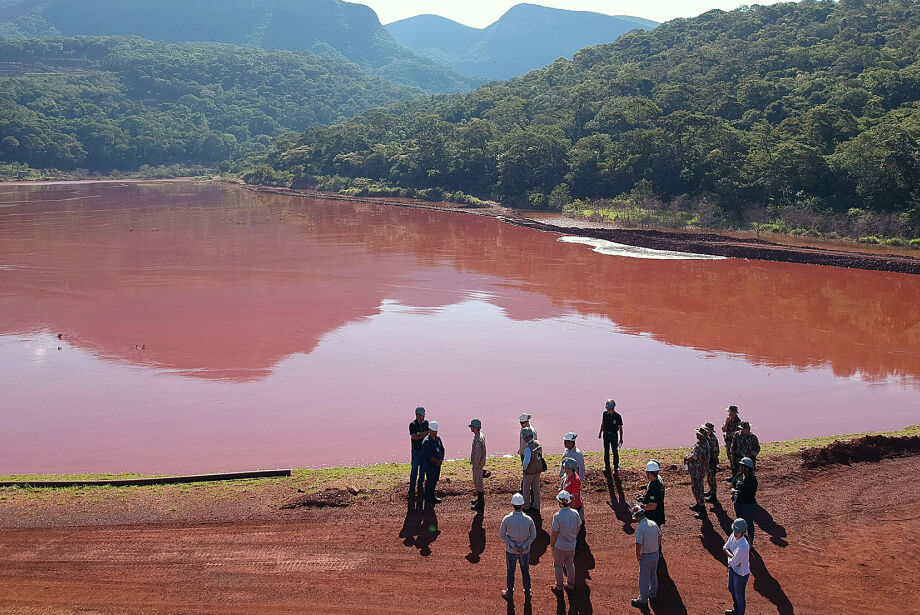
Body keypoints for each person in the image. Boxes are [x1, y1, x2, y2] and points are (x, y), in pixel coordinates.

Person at [500, 493, 537, 602]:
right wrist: (524, 546)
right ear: (522, 505)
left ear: (512, 504)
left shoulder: (507, 519)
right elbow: (533, 536)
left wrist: (513, 546)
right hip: (525, 551)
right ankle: (527, 593)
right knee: (525, 571)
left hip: (511, 551)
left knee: (510, 571)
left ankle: (510, 593)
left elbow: (502, 534)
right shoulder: (529, 520)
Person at [550, 489, 581, 595]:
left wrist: (552, 544)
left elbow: (554, 533)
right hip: (571, 545)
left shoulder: (557, 516)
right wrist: (573, 537)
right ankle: (571, 585)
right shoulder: (575, 513)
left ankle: (559, 586)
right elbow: (578, 527)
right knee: (570, 564)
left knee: (558, 566)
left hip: (560, 547)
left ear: (561, 503)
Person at [630, 504, 661, 608]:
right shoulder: (653, 523)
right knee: (653, 574)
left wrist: (638, 555)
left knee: (644, 578)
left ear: (637, 516)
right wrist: (656, 547)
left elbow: (638, 543)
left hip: (646, 556)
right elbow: (659, 536)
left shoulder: (640, 528)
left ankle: (643, 600)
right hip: (655, 554)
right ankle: (653, 594)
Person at [724, 518, 751, 615]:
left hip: (740, 574)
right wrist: (732, 557)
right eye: (734, 530)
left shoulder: (744, 546)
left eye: (738, 531)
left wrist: (731, 558)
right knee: (731, 588)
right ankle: (736, 611)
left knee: (739, 596)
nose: (735, 533)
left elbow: (734, 562)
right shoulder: (732, 535)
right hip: (733, 570)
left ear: (743, 532)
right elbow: (725, 547)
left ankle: (739, 613)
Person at [636, 460, 665, 541]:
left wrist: (640, 508)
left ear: (649, 473)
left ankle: (657, 553)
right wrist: (643, 498)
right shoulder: (656, 482)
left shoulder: (654, 487)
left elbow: (652, 506)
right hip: (658, 515)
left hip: (653, 516)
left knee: (653, 538)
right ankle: (658, 553)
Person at [685, 427, 711, 518]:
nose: (697, 435)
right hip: (698, 470)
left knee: (698, 489)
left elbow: (694, 458)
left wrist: (686, 458)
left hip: (698, 471)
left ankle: (702, 510)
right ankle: (698, 505)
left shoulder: (701, 446)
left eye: (699, 434)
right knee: (696, 488)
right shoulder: (703, 444)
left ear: (702, 436)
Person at [731, 457, 758, 544]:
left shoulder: (752, 480)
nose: (740, 468)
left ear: (747, 468)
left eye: (742, 466)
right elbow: (733, 483)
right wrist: (733, 489)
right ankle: (741, 540)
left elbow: (748, 493)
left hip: (748, 505)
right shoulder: (739, 475)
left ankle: (750, 542)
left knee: (748, 523)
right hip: (738, 503)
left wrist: (735, 491)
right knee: (740, 522)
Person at [421, 421, 444, 508]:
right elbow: (428, 455)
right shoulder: (426, 442)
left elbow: (442, 450)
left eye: (436, 431)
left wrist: (441, 459)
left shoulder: (438, 439)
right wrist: (437, 461)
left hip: (437, 466)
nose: (434, 433)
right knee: (429, 482)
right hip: (430, 466)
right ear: (429, 430)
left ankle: (432, 497)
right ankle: (427, 500)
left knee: (434, 481)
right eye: (433, 431)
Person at [521, 427, 544, 513]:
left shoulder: (528, 448)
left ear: (529, 437)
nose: (524, 439)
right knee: (536, 488)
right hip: (537, 470)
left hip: (529, 471)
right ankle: (537, 506)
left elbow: (526, 461)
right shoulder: (538, 443)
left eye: (525, 438)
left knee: (526, 488)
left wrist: (524, 469)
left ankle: (526, 506)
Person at [408, 407, 430, 497]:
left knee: (423, 469)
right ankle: (412, 488)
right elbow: (414, 437)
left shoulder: (426, 423)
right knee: (414, 469)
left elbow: (428, 434)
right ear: (417, 415)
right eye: (421, 415)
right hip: (416, 450)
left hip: (424, 450)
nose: (422, 417)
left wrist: (419, 434)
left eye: (423, 415)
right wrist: (424, 433)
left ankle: (420, 487)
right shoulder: (412, 424)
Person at [598, 399, 623, 473]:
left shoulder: (618, 416)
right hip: (606, 435)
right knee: (606, 451)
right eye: (607, 409)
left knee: (615, 451)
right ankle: (607, 467)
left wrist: (621, 438)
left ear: (613, 408)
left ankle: (615, 468)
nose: (608, 411)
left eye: (609, 409)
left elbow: (620, 428)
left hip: (614, 435)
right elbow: (603, 423)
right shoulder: (604, 414)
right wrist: (600, 432)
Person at [469, 418, 487, 511]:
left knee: (478, 482)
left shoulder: (478, 440)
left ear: (475, 428)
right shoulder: (480, 436)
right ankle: (479, 500)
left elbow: (477, 455)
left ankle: (480, 503)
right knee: (478, 482)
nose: (471, 428)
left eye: (472, 427)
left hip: (477, 465)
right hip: (479, 464)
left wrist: (475, 466)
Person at [561, 457, 584, 525]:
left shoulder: (575, 481)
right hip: (568, 505)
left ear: (571, 469)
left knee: (577, 525)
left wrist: (571, 512)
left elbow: (575, 498)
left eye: (566, 468)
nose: (564, 469)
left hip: (575, 508)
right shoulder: (568, 475)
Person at [722, 406, 742, 482]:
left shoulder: (739, 423)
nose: (729, 413)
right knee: (731, 459)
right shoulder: (729, 421)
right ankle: (734, 475)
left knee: (736, 460)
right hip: (728, 443)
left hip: (735, 445)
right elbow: (724, 430)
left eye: (730, 412)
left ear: (734, 413)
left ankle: (738, 476)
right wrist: (727, 422)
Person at [704, 422, 720, 502]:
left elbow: (715, 452)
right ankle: (711, 492)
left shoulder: (712, 439)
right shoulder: (708, 438)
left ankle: (713, 496)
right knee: (709, 478)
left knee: (712, 479)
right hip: (709, 461)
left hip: (712, 462)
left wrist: (711, 461)